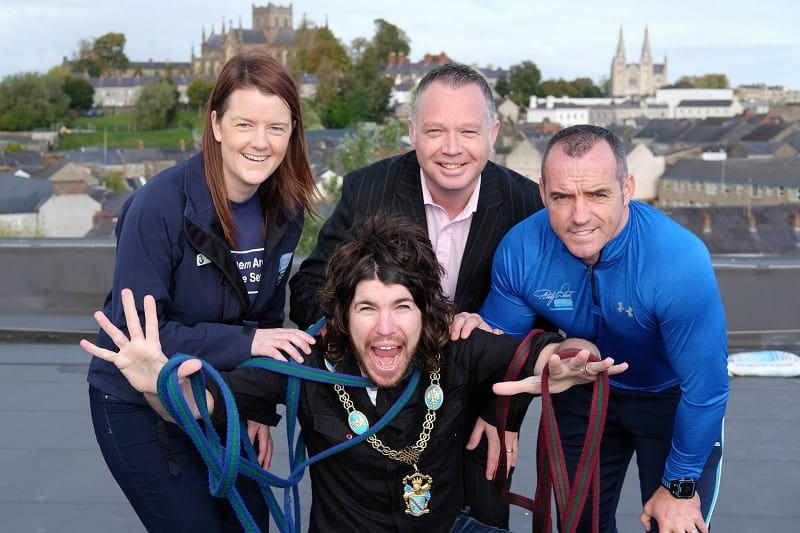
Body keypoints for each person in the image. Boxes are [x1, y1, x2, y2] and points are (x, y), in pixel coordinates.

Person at [81, 213, 627, 532]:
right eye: (368, 308)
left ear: (427, 314)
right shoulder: (307, 367)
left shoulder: (455, 352)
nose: (385, 328)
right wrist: (158, 382)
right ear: (343, 315)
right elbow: (205, 406)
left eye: (402, 307)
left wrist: (572, 358)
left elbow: (542, 352)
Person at [289, 61, 545, 528]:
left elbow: (543, 324)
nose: (451, 149)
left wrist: (503, 411)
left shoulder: (528, 205)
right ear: (411, 132)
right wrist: (367, 342)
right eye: (434, 131)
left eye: (468, 131)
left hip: (479, 404)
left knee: (485, 518)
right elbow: (309, 286)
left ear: (494, 133)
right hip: (381, 400)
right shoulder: (369, 188)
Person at [86, 49, 319, 532]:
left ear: (293, 131)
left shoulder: (287, 209)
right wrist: (246, 344)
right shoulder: (159, 207)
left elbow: (268, 315)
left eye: (277, 127)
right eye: (244, 125)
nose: (261, 143)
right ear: (215, 125)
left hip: (221, 393)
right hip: (137, 401)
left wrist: (257, 406)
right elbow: (142, 336)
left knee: (249, 522)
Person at [474, 124, 729, 533]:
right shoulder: (522, 249)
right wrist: (498, 415)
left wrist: (680, 487)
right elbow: (500, 349)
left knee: (675, 526)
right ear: (542, 193)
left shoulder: (677, 262)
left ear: (627, 188)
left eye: (598, 194)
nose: (579, 216)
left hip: (670, 399)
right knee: (578, 526)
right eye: (561, 197)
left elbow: (707, 391)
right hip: (581, 389)